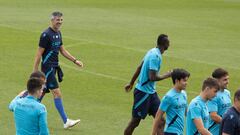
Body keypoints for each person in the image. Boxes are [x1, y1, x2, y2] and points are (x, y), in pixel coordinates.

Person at [33, 11, 83, 129]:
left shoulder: (58, 33)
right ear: (52, 20)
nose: (59, 22)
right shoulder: (46, 35)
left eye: (61, 20)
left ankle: (27, 111)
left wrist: (75, 60)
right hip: (47, 68)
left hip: (53, 67)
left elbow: (62, 50)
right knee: (57, 93)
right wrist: (35, 70)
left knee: (41, 93)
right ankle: (66, 121)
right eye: (57, 20)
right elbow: (38, 53)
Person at [124, 34, 172, 135]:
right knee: (135, 122)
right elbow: (152, 77)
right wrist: (167, 75)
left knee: (161, 120)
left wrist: (131, 83)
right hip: (143, 93)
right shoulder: (155, 56)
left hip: (151, 93)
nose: (170, 44)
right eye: (168, 42)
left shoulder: (152, 51)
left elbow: (139, 67)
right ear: (164, 44)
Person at [152, 68, 190, 135]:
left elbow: (187, 112)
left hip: (180, 132)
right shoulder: (169, 97)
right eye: (184, 81)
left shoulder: (184, 94)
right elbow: (158, 116)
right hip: (170, 132)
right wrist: (153, 134)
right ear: (177, 81)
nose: (186, 83)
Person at [207, 68, 231, 135]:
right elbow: (213, 116)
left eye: (228, 79)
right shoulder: (213, 95)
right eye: (225, 80)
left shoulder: (227, 93)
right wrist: (229, 123)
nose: (227, 81)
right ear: (217, 81)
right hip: (214, 132)